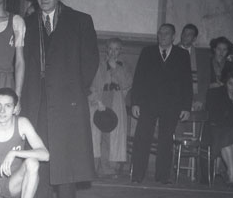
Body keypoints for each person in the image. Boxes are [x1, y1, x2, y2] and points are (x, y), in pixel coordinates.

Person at [22, 0, 99, 198]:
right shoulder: (27, 23)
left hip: (68, 100)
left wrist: (76, 90)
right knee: (39, 150)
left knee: (67, 155)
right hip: (36, 99)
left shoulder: (80, 21)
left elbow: (90, 60)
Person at [131, 24, 192, 184]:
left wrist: (186, 107)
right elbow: (138, 78)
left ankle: (162, 176)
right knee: (142, 138)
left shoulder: (182, 55)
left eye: (167, 33)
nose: (162, 36)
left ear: (173, 36)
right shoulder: (147, 52)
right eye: (160, 33)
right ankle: (137, 174)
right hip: (148, 103)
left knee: (166, 140)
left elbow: (187, 82)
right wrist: (135, 103)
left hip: (171, 105)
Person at [88, 38, 132, 176]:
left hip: (116, 103)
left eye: (116, 49)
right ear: (106, 50)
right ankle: (93, 168)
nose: (113, 52)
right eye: (111, 49)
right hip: (99, 101)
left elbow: (127, 84)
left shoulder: (124, 67)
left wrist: (115, 68)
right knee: (95, 136)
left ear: (120, 51)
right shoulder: (99, 65)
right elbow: (92, 85)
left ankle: (108, 168)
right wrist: (97, 101)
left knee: (112, 136)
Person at [206, 69, 233, 187]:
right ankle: (232, 175)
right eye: (230, 84)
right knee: (228, 142)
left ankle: (231, 174)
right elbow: (219, 118)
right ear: (226, 84)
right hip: (218, 128)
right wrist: (231, 103)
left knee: (229, 139)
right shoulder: (218, 95)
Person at [178, 23, 206, 110]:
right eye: (184, 33)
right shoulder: (171, 51)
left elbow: (205, 80)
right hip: (174, 95)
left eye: (189, 34)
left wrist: (200, 99)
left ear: (194, 38)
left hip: (195, 97)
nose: (185, 36)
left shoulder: (202, 56)